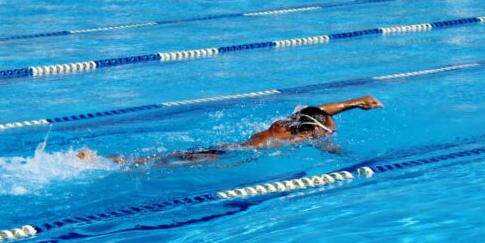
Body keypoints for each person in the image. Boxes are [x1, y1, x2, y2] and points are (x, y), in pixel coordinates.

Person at [77, 95, 383, 166]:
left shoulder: (291, 122)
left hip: (231, 146)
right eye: (327, 129)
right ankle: (113, 161)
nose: (331, 129)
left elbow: (318, 111)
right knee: (161, 163)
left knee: (170, 158)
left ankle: (114, 159)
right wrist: (351, 157)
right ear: (314, 131)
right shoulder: (301, 134)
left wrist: (357, 103)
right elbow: (325, 139)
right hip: (227, 154)